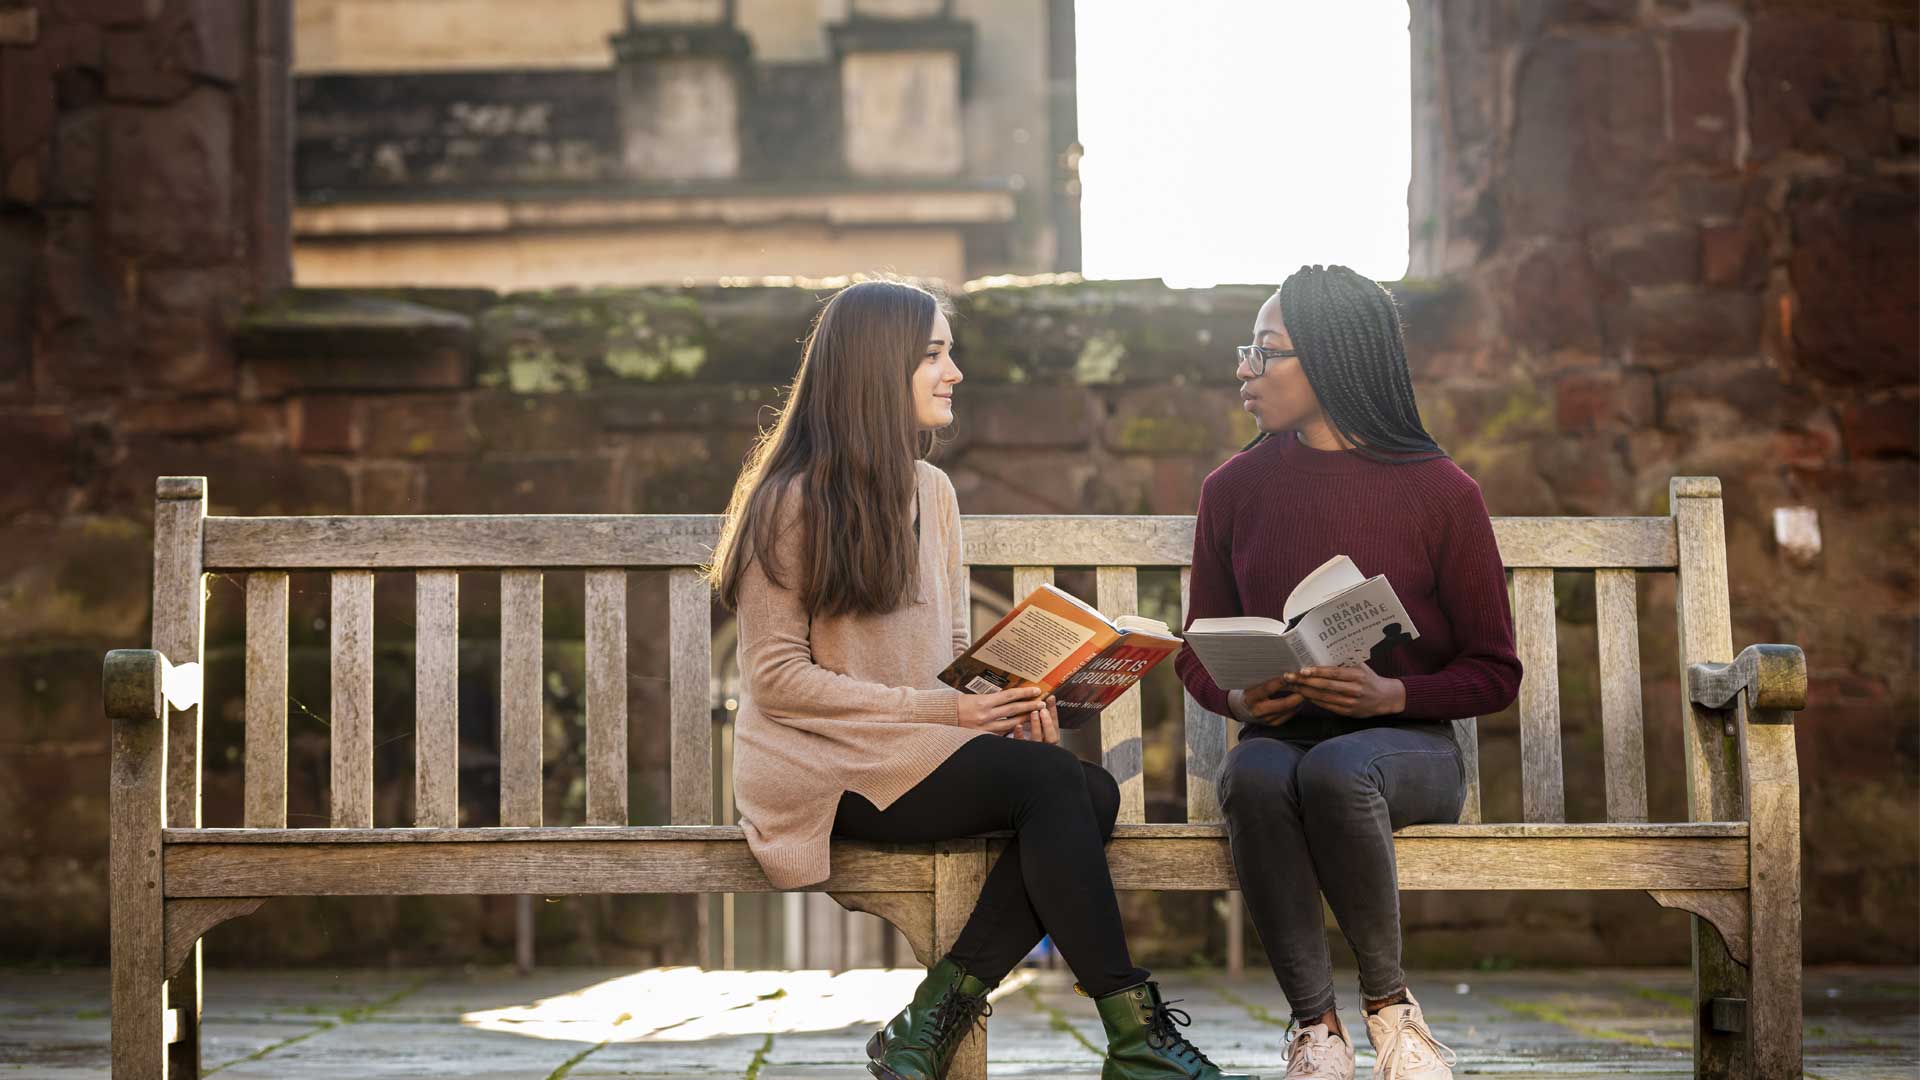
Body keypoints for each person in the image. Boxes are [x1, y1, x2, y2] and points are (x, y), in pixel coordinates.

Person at [711, 279, 1230, 1080]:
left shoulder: (933, 493)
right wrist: (947, 715)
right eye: (933, 356)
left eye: (950, 353)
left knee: (1085, 792)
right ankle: (1135, 1035)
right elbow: (777, 682)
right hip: (824, 771)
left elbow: (949, 648)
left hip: (913, 752)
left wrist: (1005, 700)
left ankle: (933, 1022)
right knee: (1061, 792)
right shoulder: (790, 503)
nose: (953, 372)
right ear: (876, 371)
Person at [1174, 266, 1523, 1080]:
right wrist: (1237, 693)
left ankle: (1393, 1015)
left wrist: (1393, 693)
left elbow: (1494, 671)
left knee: (1339, 768)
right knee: (1253, 779)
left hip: (1411, 750)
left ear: (1329, 361)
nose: (1244, 372)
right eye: (1246, 352)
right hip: (1281, 735)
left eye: (1265, 354)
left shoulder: (1442, 492)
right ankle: (1315, 1032)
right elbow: (1196, 647)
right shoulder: (1232, 490)